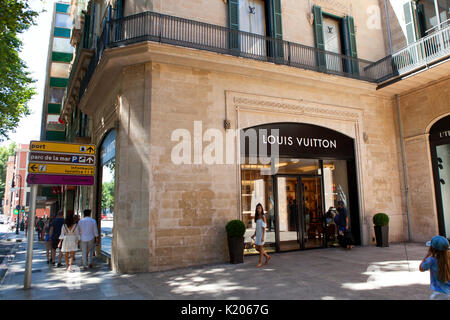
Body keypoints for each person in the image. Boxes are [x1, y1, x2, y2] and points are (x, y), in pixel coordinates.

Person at [419, 235, 449, 300]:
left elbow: (421, 268)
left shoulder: (431, 260)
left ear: (432, 249)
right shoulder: (448, 259)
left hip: (438, 295)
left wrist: (427, 255)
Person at [251, 203, 271, 268]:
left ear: (262, 209)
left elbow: (264, 228)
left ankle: (260, 262)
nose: (258, 209)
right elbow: (257, 228)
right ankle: (267, 256)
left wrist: (262, 237)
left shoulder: (263, 216)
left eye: (259, 208)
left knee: (261, 248)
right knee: (257, 248)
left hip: (262, 235)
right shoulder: (257, 217)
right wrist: (254, 235)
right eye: (257, 208)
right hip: (258, 235)